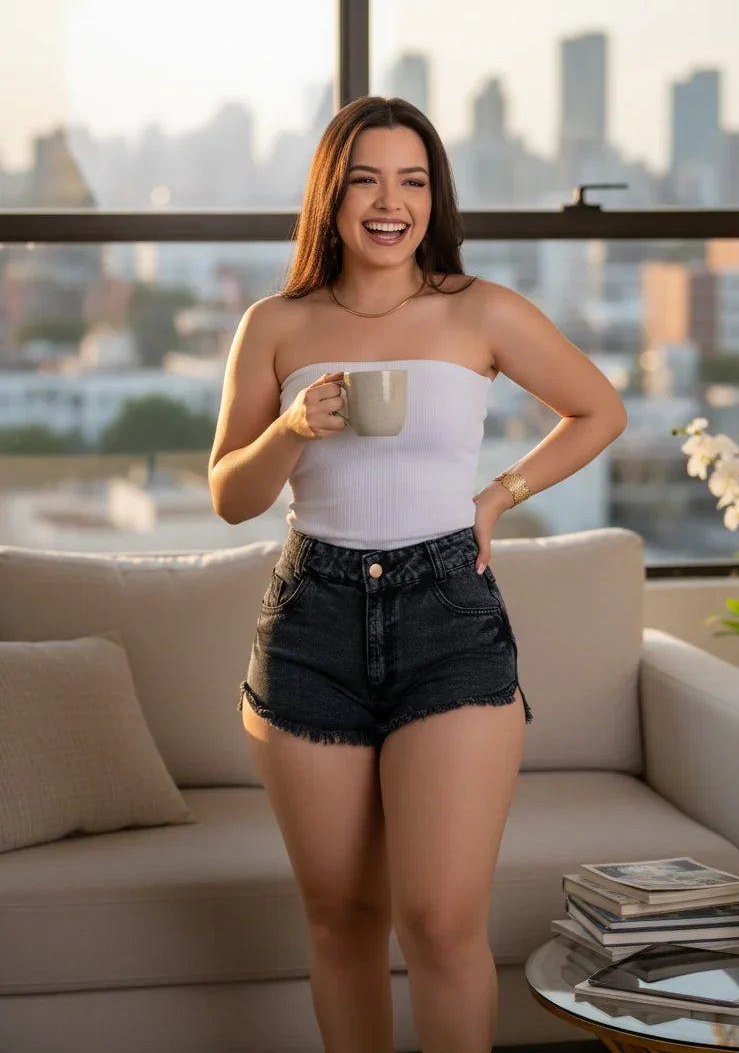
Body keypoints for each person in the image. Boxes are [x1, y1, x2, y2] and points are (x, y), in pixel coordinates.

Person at [208, 96, 627, 1053]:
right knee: (342, 921)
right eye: (365, 178)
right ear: (332, 195)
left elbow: (598, 410)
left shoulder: (480, 310)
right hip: (311, 623)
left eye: (413, 180)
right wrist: (288, 427)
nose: (389, 202)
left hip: (450, 618)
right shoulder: (274, 324)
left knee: (439, 920)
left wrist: (497, 497)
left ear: (434, 198)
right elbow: (232, 495)